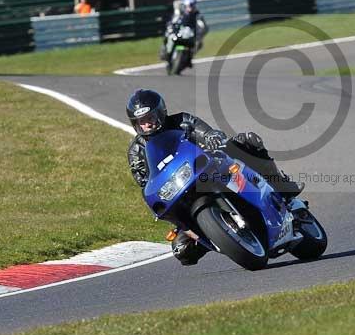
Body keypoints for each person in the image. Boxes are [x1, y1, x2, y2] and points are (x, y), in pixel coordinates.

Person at [125, 89, 304, 265]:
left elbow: (204, 131)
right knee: (182, 251)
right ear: (135, 124)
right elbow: (145, 182)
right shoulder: (136, 151)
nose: (147, 124)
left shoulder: (181, 121)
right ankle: (215, 236)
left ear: (161, 113)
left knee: (248, 141)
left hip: (209, 170)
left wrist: (211, 137)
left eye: (149, 118)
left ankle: (281, 186)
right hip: (180, 192)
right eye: (141, 122)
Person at [158, 0, 209, 65]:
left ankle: (190, 57)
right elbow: (173, 21)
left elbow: (203, 27)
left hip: (190, 35)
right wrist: (171, 26)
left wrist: (200, 34)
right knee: (168, 35)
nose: (190, 7)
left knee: (199, 44)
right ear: (185, 5)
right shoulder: (180, 13)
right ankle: (165, 52)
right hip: (179, 32)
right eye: (189, 5)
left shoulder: (198, 15)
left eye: (192, 5)